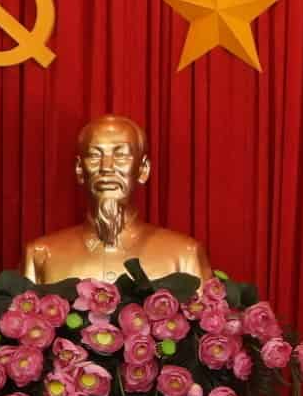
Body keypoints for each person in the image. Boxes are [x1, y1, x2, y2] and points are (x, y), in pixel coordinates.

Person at [21, 114, 214, 283]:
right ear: (80, 170)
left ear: (143, 169)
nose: (107, 167)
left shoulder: (184, 254)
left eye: (121, 155)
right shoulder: (40, 254)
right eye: (94, 156)